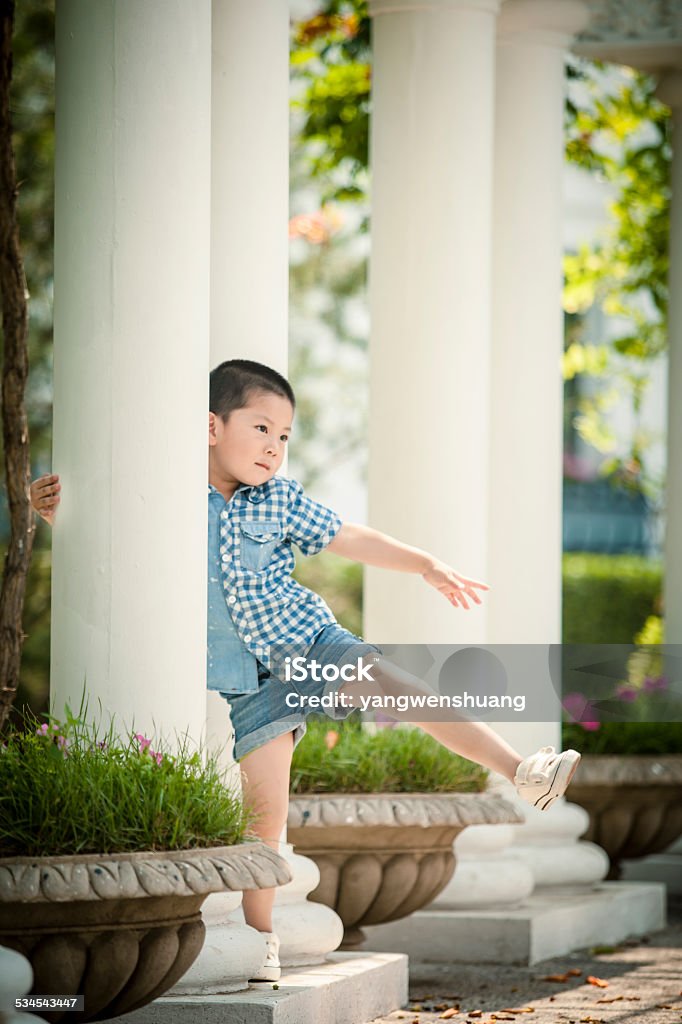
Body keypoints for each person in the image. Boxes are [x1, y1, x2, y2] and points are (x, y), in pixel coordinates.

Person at [31, 358, 580, 985]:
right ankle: (260, 943)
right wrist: (51, 512)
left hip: (309, 641)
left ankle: (523, 770)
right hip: (253, 682)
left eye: (285, 437)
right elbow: (110, 536)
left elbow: (349, 537)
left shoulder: (278, 501)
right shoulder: (167, 497)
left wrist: (424, 563)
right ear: (211, 426)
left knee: (405, 691)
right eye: (262, 428)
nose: (274, 447)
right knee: (265, 814)